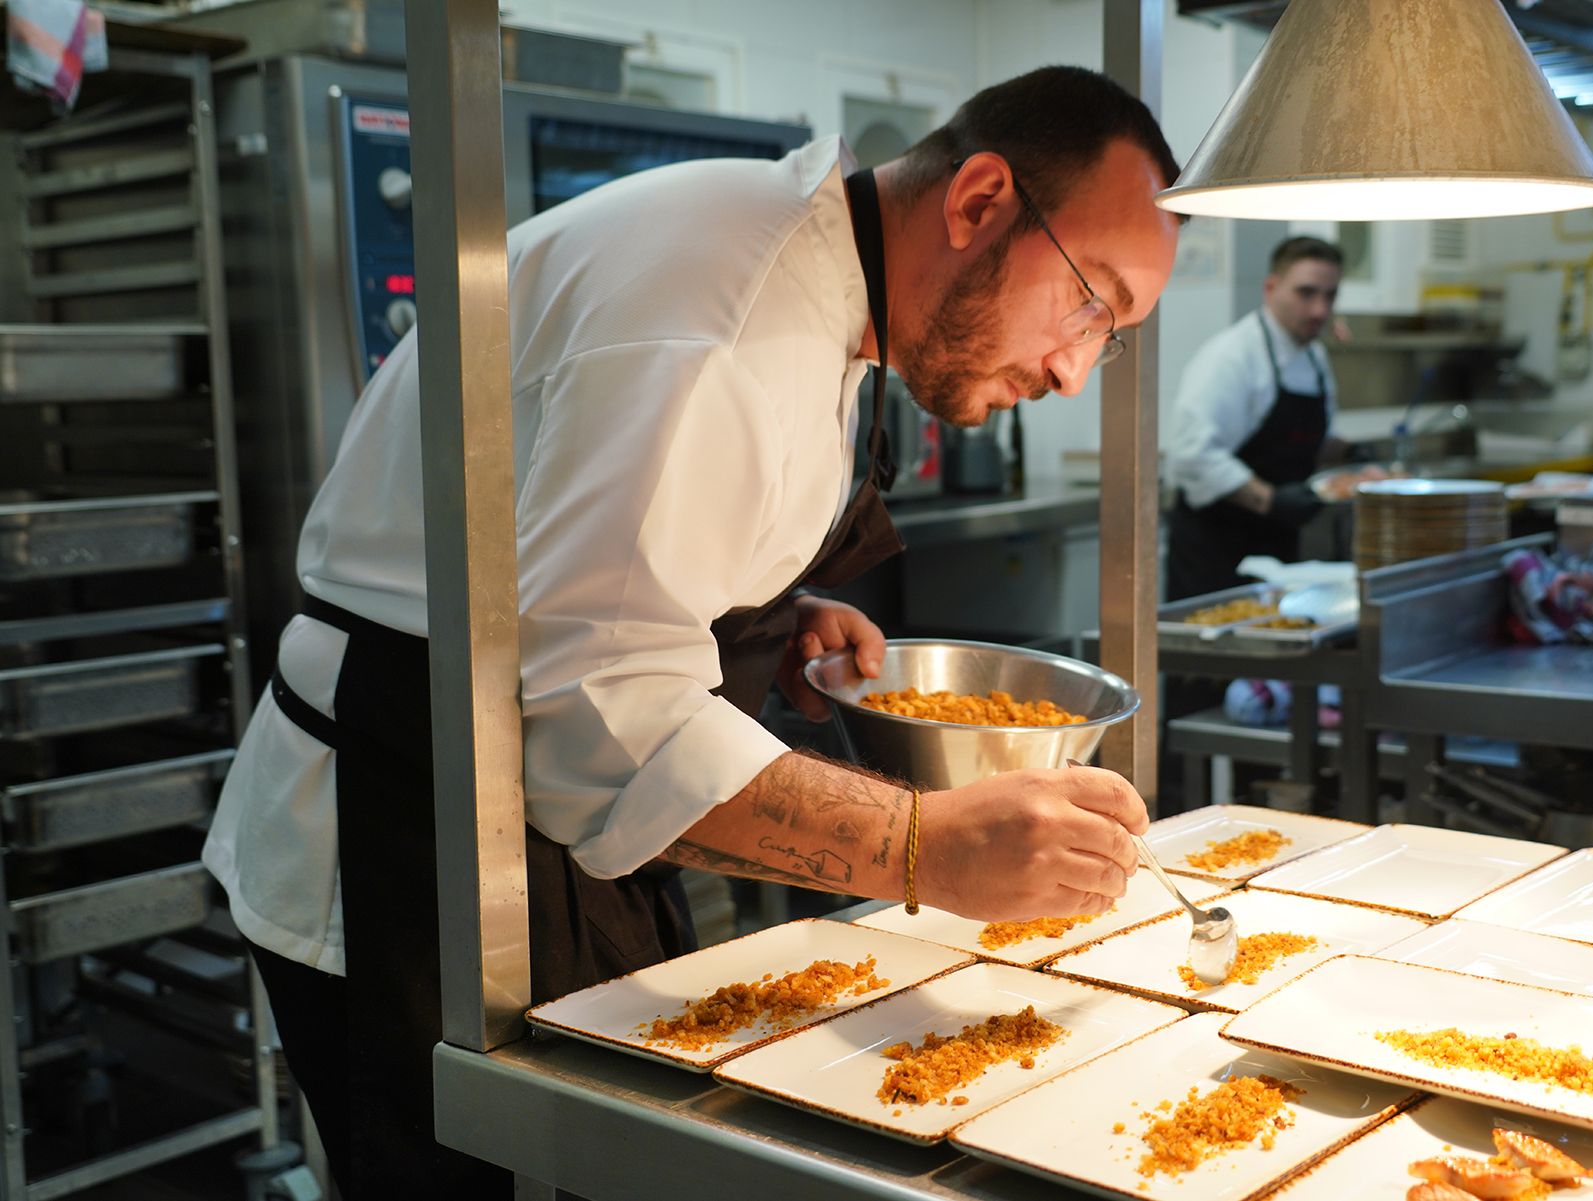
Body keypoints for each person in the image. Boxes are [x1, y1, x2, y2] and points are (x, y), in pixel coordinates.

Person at [202, 66, 1182, 1198]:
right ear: (976, 203)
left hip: (512, 806)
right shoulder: (725, 324)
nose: (1071, 369)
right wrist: (928, 844)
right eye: (1090, 301)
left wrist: (761, 605)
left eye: (1107, 337)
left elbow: (591, 557)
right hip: (407, 829)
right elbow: (601, 713)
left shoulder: (819, 270)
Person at [1165, 236, 1363, 602]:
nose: (1320, 309)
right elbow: (1192, 454)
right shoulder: (1232, 356)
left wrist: (1352, 456)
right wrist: (1270, 500)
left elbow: (1307, 439)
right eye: (1306, 293)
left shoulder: (1314, 357)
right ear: (1270, 288)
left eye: (1330, 295)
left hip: (1277, 544)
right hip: (1217, 549)